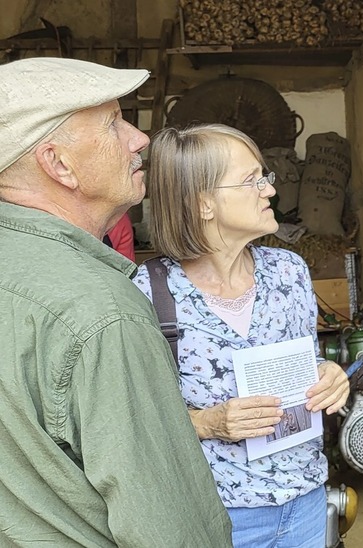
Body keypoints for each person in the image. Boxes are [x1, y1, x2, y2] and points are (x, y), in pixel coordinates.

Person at [0, 58, 232, 547]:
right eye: (113, 123)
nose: (140, 138)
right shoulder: (103, 313)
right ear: (58, 164)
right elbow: (169, 528)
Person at [133, 123, 350, 548]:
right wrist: (207, 422)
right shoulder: (148, 290)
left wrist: (329, 373)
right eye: (252, 181)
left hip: (305, 499)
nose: (269, 191)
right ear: (203, 203)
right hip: (214, 514)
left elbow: (309, 364)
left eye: (264, 177)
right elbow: (132, 415)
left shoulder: (289, 271)